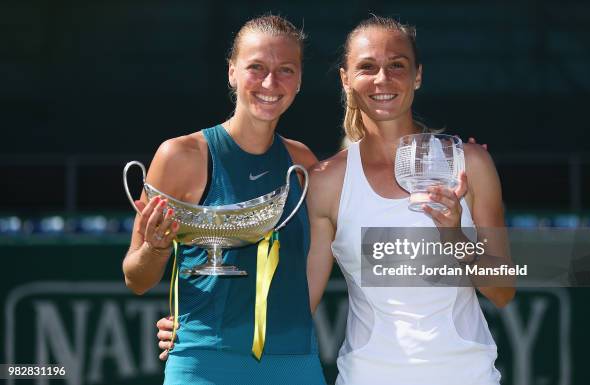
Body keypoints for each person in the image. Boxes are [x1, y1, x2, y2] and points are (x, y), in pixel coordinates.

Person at [157, 15, 515, 385]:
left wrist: (455, 236)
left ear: (417, 75)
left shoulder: (470, 164)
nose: (382, 79)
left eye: (397, 65)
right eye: (367, 67)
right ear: (345, 79)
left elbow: (503, 291)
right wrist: (195, 326)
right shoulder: (326, 181)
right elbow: (294, 302)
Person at [122, 15, 326, 385]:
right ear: (232, 72)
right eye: (256, 68)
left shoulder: (305, 164)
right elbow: (135, 278)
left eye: (285, 70)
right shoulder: (179, 156)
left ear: (298, 80)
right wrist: (155, 248)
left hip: (295, 364)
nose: (270, 82)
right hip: (204, 364)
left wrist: (463, 159)